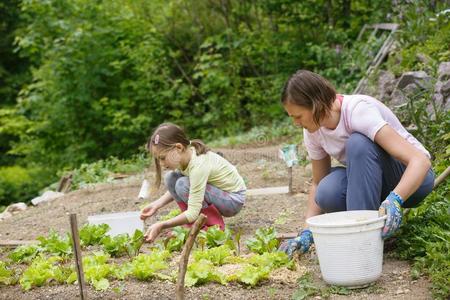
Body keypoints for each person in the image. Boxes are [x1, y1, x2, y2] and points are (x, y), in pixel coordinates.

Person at [278, 70, 435, 258]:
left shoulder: (357, 111)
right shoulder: (313, 131)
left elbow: (420, 161)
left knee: (358, 143)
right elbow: (318, 182)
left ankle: (362, 241)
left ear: (315, 104)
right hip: (374, 184)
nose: (296, 123)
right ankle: (366, 233)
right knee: (327, 190)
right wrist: (307, 231)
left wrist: (395, 200)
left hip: (414, 178)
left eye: (298, 116)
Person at [140, 123, 246, 243]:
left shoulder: (198, 166)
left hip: (233, 200)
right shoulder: (185, 155)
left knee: (182, 184)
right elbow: (188, 187)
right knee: (171, 178)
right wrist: (156, 204)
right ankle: (194, 224)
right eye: (158, 159)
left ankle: (214, 226)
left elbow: (192, 212)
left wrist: (162, 225)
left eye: (163, 158)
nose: (161, 163)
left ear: (178, 148)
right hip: (220, 195)